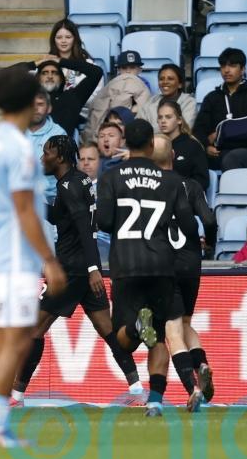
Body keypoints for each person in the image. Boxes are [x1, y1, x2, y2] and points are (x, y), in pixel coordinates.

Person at [11, 135, 143, 406]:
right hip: (83, 269)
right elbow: (61, 217)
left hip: (71, 270)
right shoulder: (79, 180)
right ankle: (137, 389)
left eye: (46, 153)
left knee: (34, 330)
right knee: (108, 330)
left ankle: (16, 396)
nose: (42, 158)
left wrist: (94, 269)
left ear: (59, 157)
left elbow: (84, 228)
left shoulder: (69, 186)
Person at [0, 67, 66, 448]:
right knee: (16, 341)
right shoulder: (19, 148)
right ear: (29, 101)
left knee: (7, 340)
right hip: (13, 256)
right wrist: (49, 260)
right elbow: (25, 208)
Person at [96, 119, 203, 417]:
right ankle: (156, 401)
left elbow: (104, 221)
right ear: (151, 144)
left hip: (126, 265)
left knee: (125, 341)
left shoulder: (111, 177)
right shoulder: (171, 182)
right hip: (161, 266)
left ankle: (135, 328)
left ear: (126, 142)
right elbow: (187, 225)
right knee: (160, 335)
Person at [152, 134, 216, 404]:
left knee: (172, 330)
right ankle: (202, 363)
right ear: (173, 155)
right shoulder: (191, 185)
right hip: (191, 262)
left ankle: (193, 388)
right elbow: (209, 220)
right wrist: (209, 244)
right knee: (186, 322)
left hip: (165, 265)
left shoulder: (148, 189)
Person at [192, 48, 247, 171]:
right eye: (223, 66)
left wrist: (220, 133)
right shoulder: (212, 97)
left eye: (232, 66)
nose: (226, 70)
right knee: (186, 156)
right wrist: (206, 146)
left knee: (231, 158)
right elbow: (199, 130)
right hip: (216, 153)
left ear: (242, 69)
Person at [12, 57, 103, 137]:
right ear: (38, 78)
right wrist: (34, 64)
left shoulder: (72, 97)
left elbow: (96, 72)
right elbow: (5, 75)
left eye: (54, 73)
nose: (50, 76)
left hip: (62, 148)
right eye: (45, 73)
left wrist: (61, 61)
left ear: (61, 79)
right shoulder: (28, 98)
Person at [86, 51, 151, 141]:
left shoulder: (144, 85)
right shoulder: (112, 85)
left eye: (132, 67)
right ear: (119, 70)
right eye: (124, 68)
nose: (128, 71)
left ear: (140, 70)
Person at [156, 98, 208, 190]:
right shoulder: (155, 145)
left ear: (179, 120)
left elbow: (202, 181)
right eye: (160, 117)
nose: (163, 121)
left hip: (184, 195)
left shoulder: (193, 146)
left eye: (168, 117)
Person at [25, 88, 67, 201]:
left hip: (50, 198)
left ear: (49, 108)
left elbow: (65, 172)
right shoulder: (14, 132)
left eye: (40, 104)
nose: (35, 108)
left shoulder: (59, 134)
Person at [48, 19, 102, 100]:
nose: (63, 41)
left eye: (68, 37)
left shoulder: (89, 65)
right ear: (54, 40)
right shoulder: (46, 65)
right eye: (59, 37)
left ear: (75, 39)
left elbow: (96, 95)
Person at [137, 64, 196, 130]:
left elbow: (184, 129)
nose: (165, 82)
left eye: (170, 79)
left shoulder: (189, 102)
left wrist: (150, 131)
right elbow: (138, 127)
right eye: (161, 79)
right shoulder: (151, 101)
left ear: (180, 84)